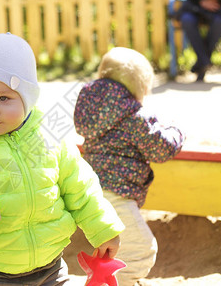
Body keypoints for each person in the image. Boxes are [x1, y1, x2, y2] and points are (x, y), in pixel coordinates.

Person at [0, 33, 125, 286]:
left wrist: (104, 230)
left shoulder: (50, 138)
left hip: (51, 268)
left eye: (3, 98)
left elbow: (80, 187)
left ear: (27, 97)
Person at [73, 47, 185, 286]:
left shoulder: (92, 114)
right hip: (117, 196)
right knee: (142, 250)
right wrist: (176, 131)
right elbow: (161, 148)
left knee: (113, 247)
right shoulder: (134, 117)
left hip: (92, 193)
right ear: (139, 89)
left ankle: (102, 278)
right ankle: (120, 282)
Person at [178, 0, 221, 81]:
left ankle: (201, 63)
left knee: (219, 22)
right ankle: (204, 61)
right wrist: (201, 2)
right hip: (196, 7)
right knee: (187, 20)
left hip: (220, 8)